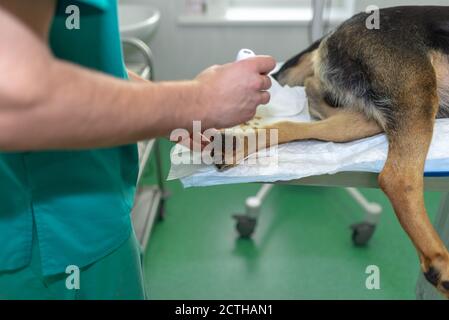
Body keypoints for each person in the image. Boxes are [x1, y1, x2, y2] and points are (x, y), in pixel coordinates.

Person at [0, 0, 275, 299]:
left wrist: (176, 115)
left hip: (96, 217)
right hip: (46, 247)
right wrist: (200, 100)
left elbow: (76, 59)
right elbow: (12, 101)